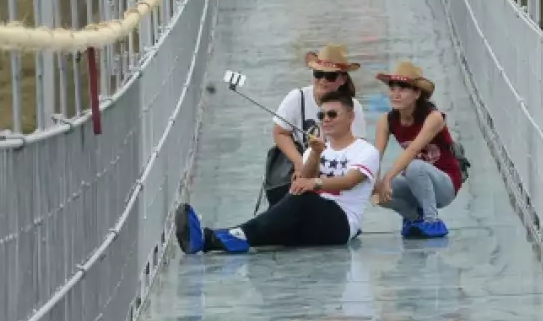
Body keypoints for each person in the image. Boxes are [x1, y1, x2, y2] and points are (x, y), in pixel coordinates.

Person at [178, 90, 379, 254]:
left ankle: (235, 235)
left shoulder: (365, 150)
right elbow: (303, 179)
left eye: (332, 114)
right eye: (321, 115)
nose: (325, 120)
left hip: (341, 223)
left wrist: (314, 184)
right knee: (273, 229)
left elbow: (350, 181)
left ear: (350, 117)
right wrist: (316, 153)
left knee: (304, 197)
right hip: (311, 220)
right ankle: (208, 239)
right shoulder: (314, 148)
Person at [261, 45, 371, 207]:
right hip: (300, 163)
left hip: (333, 169)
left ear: (342, 80)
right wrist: (299, 162)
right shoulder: (296, 98)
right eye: (318, 74)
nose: (323, 80)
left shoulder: (353, 107)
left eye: (330, 76)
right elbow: (280, 132)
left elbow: (355, 149)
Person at [371, 61, 464, 239]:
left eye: (403, 89)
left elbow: (412, 150)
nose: (396, 94)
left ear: (416, 93)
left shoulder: (433, 117)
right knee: (372, 187)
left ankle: (432, 221)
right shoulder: (387, 120)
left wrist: (388, 178)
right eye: (393, 88)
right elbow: (375, 156)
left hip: (444, 185)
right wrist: (376, 180)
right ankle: (413, 218)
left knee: (414, 166)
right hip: (416, 183)